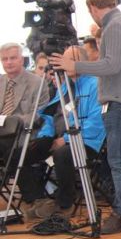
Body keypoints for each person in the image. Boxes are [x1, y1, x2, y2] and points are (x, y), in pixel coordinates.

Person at [50, 0, 121, 234]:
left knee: (120, 161)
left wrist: (76, 65)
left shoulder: (114, 26)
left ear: (93, 7)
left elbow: (111, 65)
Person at [18, 47, 105, 220]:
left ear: (82, 62)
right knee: (21, 152)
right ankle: (36, 199)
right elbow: (51, 116)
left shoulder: (96, 85)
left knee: (62, 153)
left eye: (69, 60)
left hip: (86, 141)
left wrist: (65, 139)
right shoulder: (64, 86)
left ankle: (65, 203)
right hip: (59, 136)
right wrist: (45, 136)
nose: (63, 64)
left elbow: (96, 123)